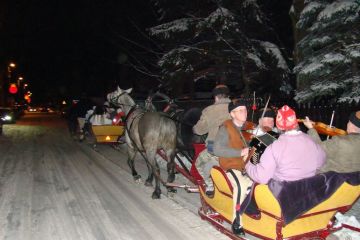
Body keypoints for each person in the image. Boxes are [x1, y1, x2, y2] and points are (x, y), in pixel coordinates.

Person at [245, 105, 326, 184]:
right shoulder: (311, 141)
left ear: (279, 126)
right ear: (296, 123)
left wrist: (247, 164)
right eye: (267, 119)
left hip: (284, 191)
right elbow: (321, 162)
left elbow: (261, 177)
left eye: (271, 119)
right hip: (309, 189)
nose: (270, 122)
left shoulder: (274, 146)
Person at [213, 99, 254, 236]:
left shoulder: (245, 127)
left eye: (245, 109)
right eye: (240, 110)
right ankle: (237, 221)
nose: (245, 112)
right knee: (241, 186)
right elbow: (217, 149)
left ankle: (250, 211)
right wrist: (240, 152)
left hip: (245, 166)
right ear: (232, 113)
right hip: (231, 166)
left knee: (257, 185)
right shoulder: (226, 127)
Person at [192, 84, 231, 193]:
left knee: (199, 163)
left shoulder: (209, 110)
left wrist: (194, 129)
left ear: (216, 97)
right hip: (235, 146)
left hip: (214, 147)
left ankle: (210, 185)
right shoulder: (236, 108)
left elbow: (200, 130)